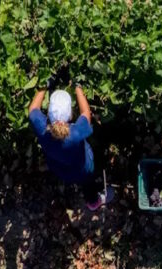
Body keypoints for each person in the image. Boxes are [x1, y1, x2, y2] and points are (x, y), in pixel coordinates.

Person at [28, 71, 112, 211]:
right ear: (71, 114)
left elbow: (33, 109)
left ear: (48, 112)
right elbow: (86, 112)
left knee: (81, 180)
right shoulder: (76, 133)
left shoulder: (42, 129)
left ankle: (91, 200)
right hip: (83, 170)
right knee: (88, 182)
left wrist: (46, 85)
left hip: (60, 170)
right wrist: (77, 86)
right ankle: (93, 201)